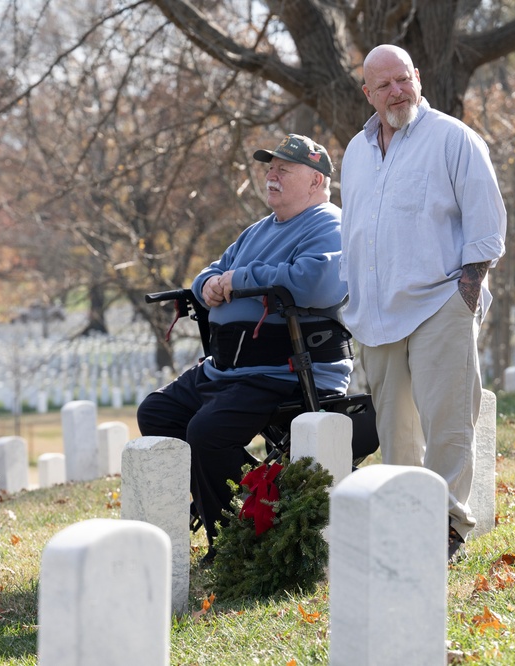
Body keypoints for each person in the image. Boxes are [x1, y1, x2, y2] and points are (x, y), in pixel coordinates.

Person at [137, 134, 353, 561]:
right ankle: (246, 500)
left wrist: (238, 281)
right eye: (269, 167)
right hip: (227, 366)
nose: (271, 175)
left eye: (283, 169)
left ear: (315, 181)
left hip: (286, 367)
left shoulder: (330, 224)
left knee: (207, 433)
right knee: (156, 412)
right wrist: (209, 285)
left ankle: (235, 542)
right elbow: (211, 273)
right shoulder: (256, 231)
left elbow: (319, 282)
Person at [339, 45, 507, 560]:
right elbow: (355, 233)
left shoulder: (453, 139)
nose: (397, 91)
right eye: (384, 85)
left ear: (418, 76)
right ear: (367, 93)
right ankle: (410, 520)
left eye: (404, 78)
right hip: (377, 313)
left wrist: (466, 296)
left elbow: (486, 225)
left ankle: (449, 526)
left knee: (449, 419)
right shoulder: (355, 152)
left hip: (440, 302)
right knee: (397, 431)